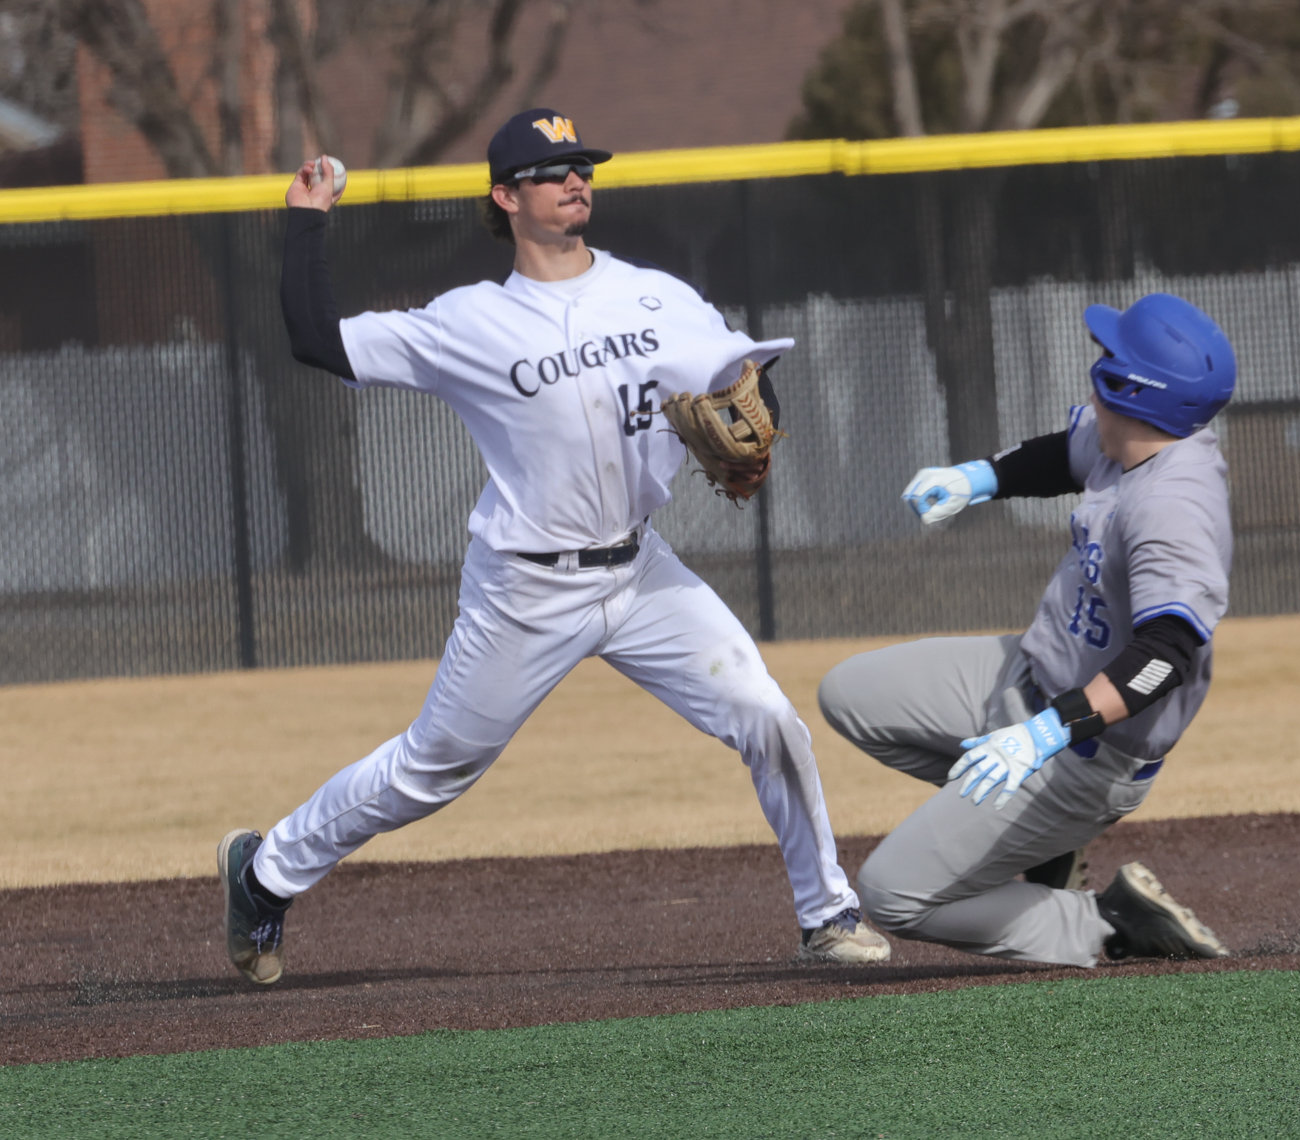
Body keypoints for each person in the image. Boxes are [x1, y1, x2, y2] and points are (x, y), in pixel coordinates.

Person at [217, 108, 890, 985]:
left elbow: (744, 376)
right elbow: (317, 340)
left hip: (644, 571)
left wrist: (758, 444)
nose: (576, 180)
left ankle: (827, 912)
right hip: (526, 591)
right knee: (431, 771)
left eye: (582, 165)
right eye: (552, 170)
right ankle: (265, 874)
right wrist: (305, 221)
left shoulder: (656, 294)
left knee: (767, 716)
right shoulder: (471, 322)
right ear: (506, 197)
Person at [818, 293, 1235, 969]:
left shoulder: (1173, 506)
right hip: (1023, 673)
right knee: (846, 694)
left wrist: (1045, 736)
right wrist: (980, 478)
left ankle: (1105, 923)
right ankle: (1043, 846)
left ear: (1130, 388)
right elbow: (1058, 457)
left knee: (892, 895)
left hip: (1085, 753)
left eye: (1111, 357)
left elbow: (1167, 655)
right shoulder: (1130, 436)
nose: (1098, 362)